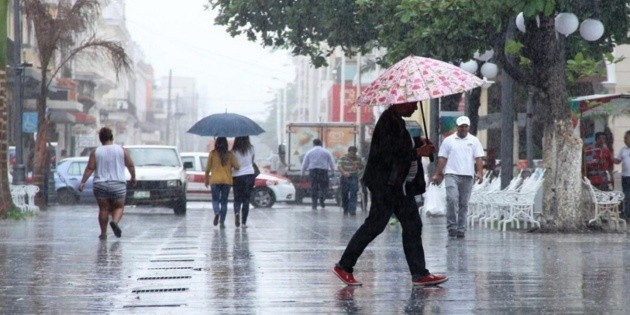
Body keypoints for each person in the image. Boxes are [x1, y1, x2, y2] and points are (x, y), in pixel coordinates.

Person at [333, 101, 447, 287]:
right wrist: (418, 151)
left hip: (399, 186)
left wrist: (419, 142)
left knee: (412, 225)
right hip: (385, 185)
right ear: (401, 103)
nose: (416, 108)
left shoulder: (397, 121)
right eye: (413, 104)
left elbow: (401, 145)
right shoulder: (388, 122)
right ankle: (344, 265)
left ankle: (419, 273)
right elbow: (389, 154)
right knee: (375, 225)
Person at [431, 116, 484, 239]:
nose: (463, 129)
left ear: (468, 127)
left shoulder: (474, 141)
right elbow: (442, 158)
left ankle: (461, 228)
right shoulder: (448, 141)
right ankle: (452, 227)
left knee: (463, 203)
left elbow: (479, 158)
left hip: (468, 175)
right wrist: (438, 173)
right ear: (457, 127)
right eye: (461, 126)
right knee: (451, 199)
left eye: (465, 126)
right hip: (451, 174)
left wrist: (480, 172)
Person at [78, 127, 136, 240]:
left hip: (100, 184)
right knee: (119, 207)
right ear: (112, 137)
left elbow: (90, 168)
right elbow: (130, 165)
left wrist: (83, 182)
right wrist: (133, 177)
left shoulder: (96, 152)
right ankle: (114, 222)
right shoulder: (121, 150)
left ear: (101, 139)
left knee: (103, 209)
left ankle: (103, 233)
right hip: (118, 184)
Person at [205, 137, 240, 228]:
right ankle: (222, 222)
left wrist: (206, 180)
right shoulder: (229, 154)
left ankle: (216, 212)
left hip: (215, 180)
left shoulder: (212, 154)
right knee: (224, 202)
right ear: (226, 144)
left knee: (215, 200)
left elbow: (207, 169)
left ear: (216, 144)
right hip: (226, 181)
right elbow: (237, 166)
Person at [301, 138, 336, 210]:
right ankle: (322, 198)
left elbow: (305, 163)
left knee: (314, 188)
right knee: (325, 187)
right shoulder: (326, 152)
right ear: (321, 144)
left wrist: (302, 173)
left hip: (313, 172)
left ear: (313, 144)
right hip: (323, 172)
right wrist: (333, 171)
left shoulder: (309, 152)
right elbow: (331, 162)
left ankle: (314, 204)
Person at [231, 136, 256, 228]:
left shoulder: (233, 151)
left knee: (237, 198)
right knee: (246, 199)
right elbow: (252, 161)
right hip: (249, 174)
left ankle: (237, 212)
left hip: (237, 176)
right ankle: (244, 222)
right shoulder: (251, 148)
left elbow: (232, 164)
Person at [337, 146, 364, 215]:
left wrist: (358, 165)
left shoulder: (358, 158)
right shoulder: (343, 158)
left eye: (354, 153)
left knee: (353, 193)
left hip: (354, 177)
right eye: (351, 153)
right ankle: (345, 208)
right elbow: (339, 166)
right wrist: (344, 173)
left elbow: (361, 167)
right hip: (344, 177)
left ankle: (352, 209)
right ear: (348, 152)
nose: (352, 155)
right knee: (344, 193)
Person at [613, 130, 630, 219]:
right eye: (624, 138)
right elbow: (618, 161)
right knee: (626, 196)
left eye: (626, 138)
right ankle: (627, 214)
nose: (624, 140)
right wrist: (611, 158)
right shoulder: (623, 150)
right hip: (625, 177)